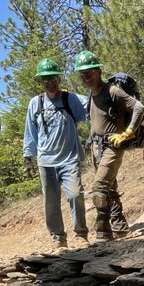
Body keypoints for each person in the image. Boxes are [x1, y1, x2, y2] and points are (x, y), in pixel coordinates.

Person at [74, 50, 144, 241]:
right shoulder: (91, 95)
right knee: (110, 189)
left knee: (99, 188)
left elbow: (139, 108)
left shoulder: (112, 91)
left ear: (98, 70)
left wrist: (128, 132)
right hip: (97, 148)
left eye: (89, 72)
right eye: (82, 73)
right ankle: (120, 227)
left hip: (113, 147)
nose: (86, 76)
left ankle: (103, 232)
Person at [23, 58, 90, 251]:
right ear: (40, 81)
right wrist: (28, 158)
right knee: (51, 202)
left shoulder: (71, 99)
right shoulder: (35, 104)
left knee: (75, 194)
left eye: (53, 77)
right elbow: (30, 132)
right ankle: (58, 238)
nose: (49, 81)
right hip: (45, 161)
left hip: (69, 159)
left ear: (59, 78)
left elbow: (93, 105)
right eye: (45, 78)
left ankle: (80, 234)